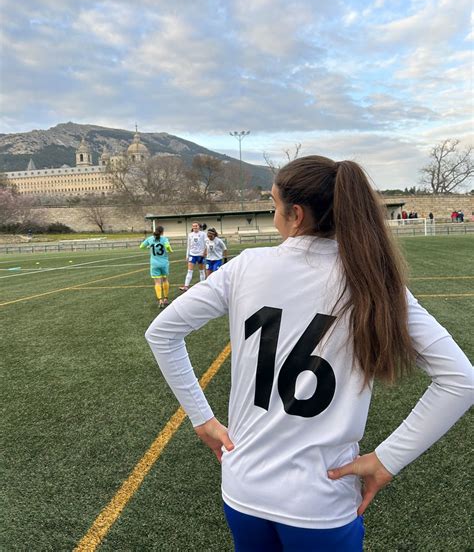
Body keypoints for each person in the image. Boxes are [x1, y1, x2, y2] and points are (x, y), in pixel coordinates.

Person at [145, 156, 472, 551]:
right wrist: (387, 460)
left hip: (243, 489)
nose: (273, 213)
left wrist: (203, 419)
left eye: (273, 203)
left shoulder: (247, 267)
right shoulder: (373, 281)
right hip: (321, 500)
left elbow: (162, 333)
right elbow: (460, 380)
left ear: (295, 214)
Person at [140, 226, 173, 308]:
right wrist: (170, 250)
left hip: (154, 263)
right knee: (165, 280)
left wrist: (148, 246)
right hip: (164, 263)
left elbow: (141, 247)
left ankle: (160, 300)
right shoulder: (164, 239)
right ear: (162, 232)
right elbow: (168, 247)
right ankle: (166, 299)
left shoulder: (150, 239)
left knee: (157, 282)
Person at [180, 221, 207, 291]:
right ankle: (186, 286)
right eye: (193, 226)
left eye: (196, 226)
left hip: (200, 255)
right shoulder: (190, 235)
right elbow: (188, 246)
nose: (195, 227)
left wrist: (204, 253)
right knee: (189, 271)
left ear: (199, 226)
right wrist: (187, 255)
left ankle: (202, 286)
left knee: (201, 271)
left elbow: (206, 244)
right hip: (192, 255)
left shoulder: (203, 234)